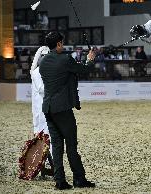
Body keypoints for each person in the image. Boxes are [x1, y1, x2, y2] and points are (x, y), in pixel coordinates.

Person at [39, 32, 96, 190]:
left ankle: (60, 181)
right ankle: (79, 178)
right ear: (58, 44)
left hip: (48, 108)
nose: (62, 46)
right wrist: (90, 59)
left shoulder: (43, 61)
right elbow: (83, 69)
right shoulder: (65, 59)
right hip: (62, 108)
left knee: (57, 146)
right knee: (71, 145)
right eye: (62, 43)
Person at [30, 46, 53, 177]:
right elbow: (41, 89)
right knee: (43, 136)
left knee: (49, 136)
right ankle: (43, 165)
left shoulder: (45, 71)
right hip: (41, 110)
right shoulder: (37, 72)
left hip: (47, 108)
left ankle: (48, 165)